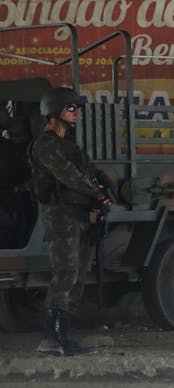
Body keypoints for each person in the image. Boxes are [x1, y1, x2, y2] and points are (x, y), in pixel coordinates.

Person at [29, 87, 110, 356]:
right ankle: (51, 339)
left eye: (77, 109)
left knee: (78, 274)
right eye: (71, 109)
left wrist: (104, 186)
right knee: (65, 272)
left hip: (78, 213)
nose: (76, 114)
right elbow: (67, 175)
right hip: (60, 213)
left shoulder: (69, 144)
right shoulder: (45, 144)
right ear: (54, 111)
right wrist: (94, 190)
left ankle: (63, 336)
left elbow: (86, 169)